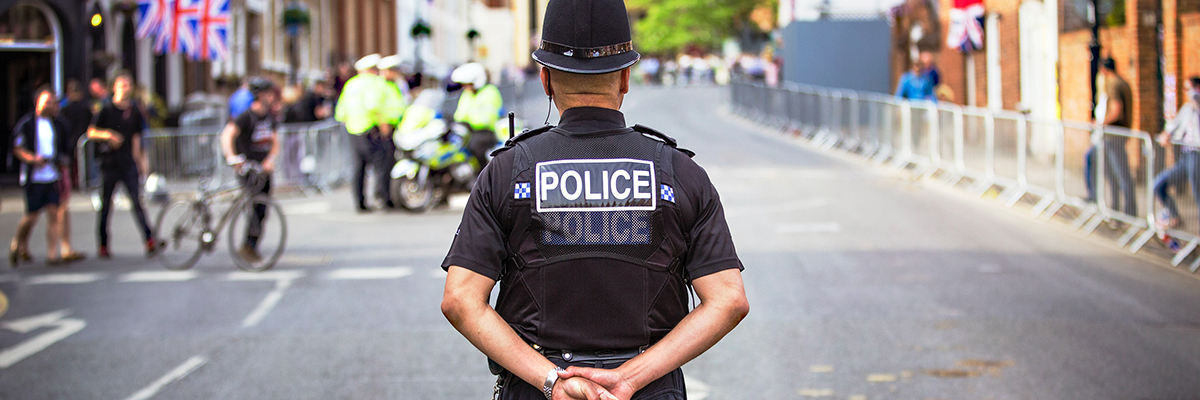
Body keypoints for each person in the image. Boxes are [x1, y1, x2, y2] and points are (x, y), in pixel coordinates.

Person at [440, 0, 750, 399]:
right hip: (648, 391)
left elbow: (461, 300)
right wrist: (631, 377)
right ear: (625, 77)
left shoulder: (506, 173)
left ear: (545, 78)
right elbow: (728, 299)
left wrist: (552, 380)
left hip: (538, 389)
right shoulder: (679, 172)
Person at [88, 71, 159, 258]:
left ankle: (149, 240)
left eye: (128, 85)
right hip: (109, 163)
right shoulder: (106, 109)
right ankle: (103, 244)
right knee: (106, 205)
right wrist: (109, 135)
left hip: (127, 163)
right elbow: (92, 132)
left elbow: (136, 140)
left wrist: (141, 165)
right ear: (114, 87)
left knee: (137, 202)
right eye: (122, 85)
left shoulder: (134, 112)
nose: (125, 89)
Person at [9, 87, 81, 267]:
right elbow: (17, 148)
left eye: (52, 102)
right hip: (34, 177)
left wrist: (61, 161)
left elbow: (65, 147)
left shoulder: (58, 124)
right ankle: (18, 242)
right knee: (31, 215)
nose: (50, 105)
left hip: (52, 175)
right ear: (37, 102)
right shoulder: (27, 124)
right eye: (46, 101)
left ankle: (51, 254)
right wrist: (33, 159)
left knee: (53, 213)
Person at [220, 78, 281, 262]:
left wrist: (270, 159)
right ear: (261, 95)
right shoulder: (246, 116)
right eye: (269, 94)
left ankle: (251, 246)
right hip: (248, 169)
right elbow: (227, 135)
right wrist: (232, 158)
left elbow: (275, 141)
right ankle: (248, 246)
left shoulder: (268, 117)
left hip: (263, 170)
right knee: (253, 209)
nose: (272, 98)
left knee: (262, 210)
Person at [335, 54, 395, 211]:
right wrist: (383, 126)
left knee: (358, 167)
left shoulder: (350, 84)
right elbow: (373, 105)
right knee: (381, 164)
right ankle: (382, 198)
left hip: (353, 131)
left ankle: (359, 202)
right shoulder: (375, 83)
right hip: (371, 129)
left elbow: (341, 112)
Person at [1085, 58, 1137, 217]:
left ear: (1103, 70)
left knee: (1119, 175)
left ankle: (1128, 213)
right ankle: (1116, 210)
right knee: (1113, 173)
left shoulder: (1114, 84)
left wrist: (1101, 123)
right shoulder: (1123, 82)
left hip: (1114, 136)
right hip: (1118, 135)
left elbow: (1117, 110)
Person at [1153, 76, 1200, 231]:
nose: (1186, 93)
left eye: (1188, 89)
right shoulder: (1186, 109)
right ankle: (1174, 216)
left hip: (1197, 155)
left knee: (1197, 194)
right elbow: (1173, 127)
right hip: (1186, 157)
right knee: (1159, 185)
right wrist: (1166, 135)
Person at [451, 62, 504, 170]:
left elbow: (488, 119)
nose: (465, 87)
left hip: (485, 132)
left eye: (468, 84)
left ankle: (481, 175)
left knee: (474, 146)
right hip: (468, 131)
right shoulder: (467, 94)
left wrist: (469, 121)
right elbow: (459, 114)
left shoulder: (490, 92)